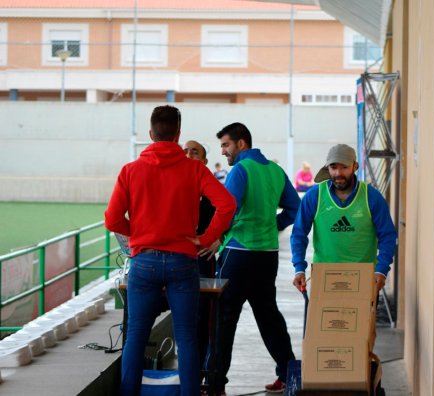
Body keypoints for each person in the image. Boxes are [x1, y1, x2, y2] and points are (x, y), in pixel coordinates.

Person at [104, 105, 236, 396]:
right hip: (183, 262)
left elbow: (112, 219)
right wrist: (205, 237)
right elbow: (227, 204)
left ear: (151, 134)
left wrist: (139, 234)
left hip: (143, 262)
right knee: (187, 337)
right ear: (178, 135)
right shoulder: (195, 169)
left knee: (136, 336)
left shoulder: (130, 171)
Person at [202, 122, 301, 395]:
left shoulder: (240, 170)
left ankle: (215, 385)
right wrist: (275, 224)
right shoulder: (276, 171)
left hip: (238, 255)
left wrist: (217, 238)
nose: (223, 151)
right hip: (267, 256)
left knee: (223, 319)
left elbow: (227, 210)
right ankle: (290, 375)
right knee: (270, 317)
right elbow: (295, 207)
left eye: (226, 145)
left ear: (241, 144)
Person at [290, 143, 397, 294]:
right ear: (328, 168)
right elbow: (298, 234)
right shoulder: (314, 196)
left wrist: (381, 270)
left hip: (363, 279)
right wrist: (299, 268)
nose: (338, 173)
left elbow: (388, 236)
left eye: (344, 167)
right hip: (325, 277)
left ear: (355, 166)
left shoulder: (371, 197)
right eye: (333, 167)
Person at [182, 139, 217, 383]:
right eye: (185, 150)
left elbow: (230, 213)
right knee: (182, 320)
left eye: (194, 152)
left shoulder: (211, 189)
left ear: (204, 162)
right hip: (175, 261)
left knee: (202, 318)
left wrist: (216, 241)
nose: (188, 154)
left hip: (202, 261)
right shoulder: (172, 186)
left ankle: (202, 375)